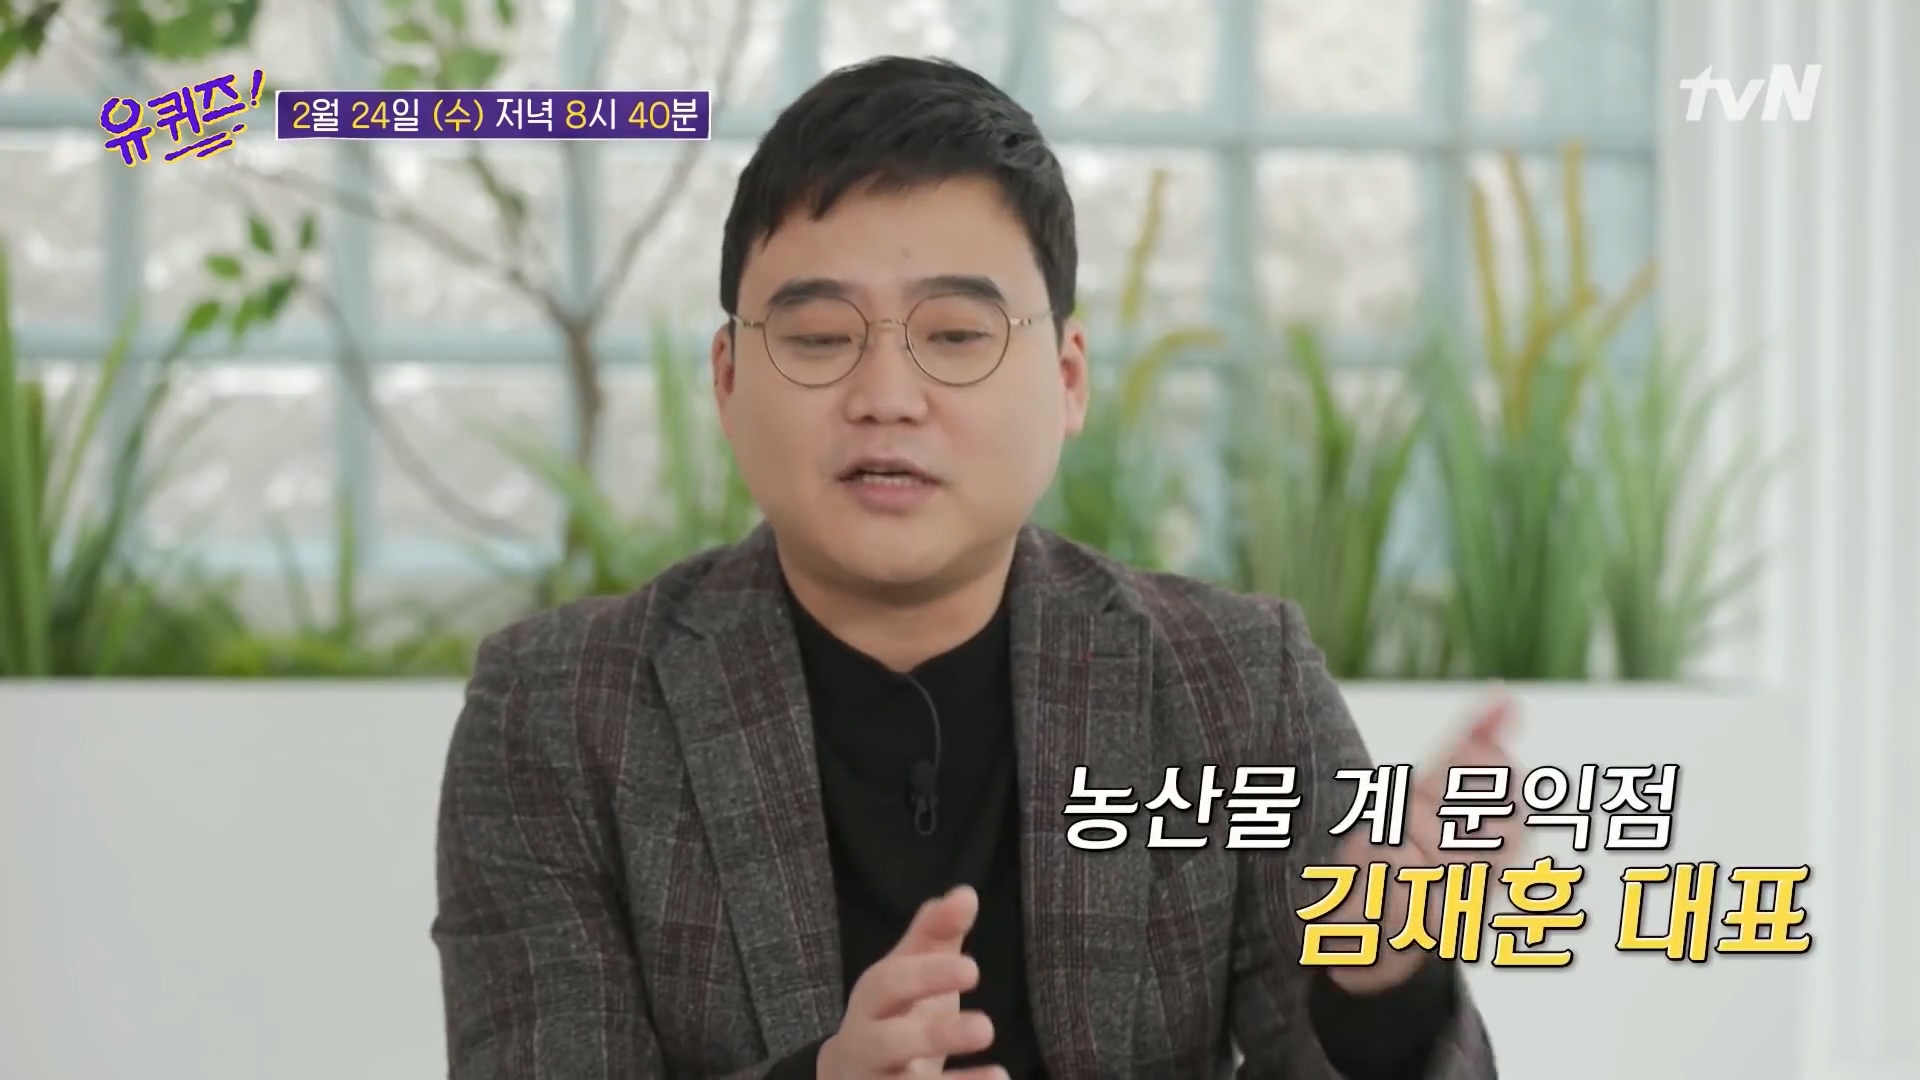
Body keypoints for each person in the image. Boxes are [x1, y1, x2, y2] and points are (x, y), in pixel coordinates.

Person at [433, 55, 1523, 1079]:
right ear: (726, 380)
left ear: (1067, 380)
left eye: (957, 336)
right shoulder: (560, 713)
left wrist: (1387, 982)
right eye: (818, 338)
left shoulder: (1238, 683)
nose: (886, 397)